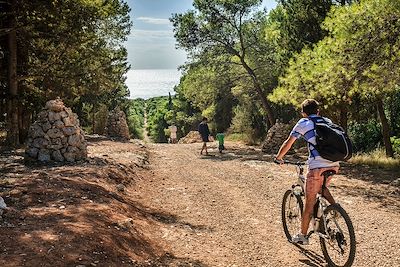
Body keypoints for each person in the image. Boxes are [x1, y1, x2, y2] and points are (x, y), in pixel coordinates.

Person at [275, 99, 340, 245]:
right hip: (334, 165)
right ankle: (335, 208)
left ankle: (302, 236)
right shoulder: (327, 121)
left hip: (317, 166)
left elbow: (288, 142)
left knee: (309, 201)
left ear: (303, 112)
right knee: (321, 188)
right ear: (318, 111)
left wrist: (279, 157)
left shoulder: (303, 123)